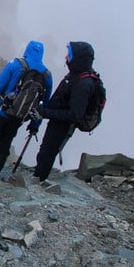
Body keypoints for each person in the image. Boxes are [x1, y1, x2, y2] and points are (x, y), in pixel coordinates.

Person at [0, 41, 53, 177]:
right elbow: (43, 104)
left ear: (27, 50)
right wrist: (35, 125)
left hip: (0, 111)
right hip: (18, 117)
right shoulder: (47, 75)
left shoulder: (15, 65)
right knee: (5, 144)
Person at [33, 41, 99, 182]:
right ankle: (38, 177)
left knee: (47, 152)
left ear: (78, 58)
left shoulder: (83, 84)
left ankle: (38, 179)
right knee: (46, 150)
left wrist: (45, 112)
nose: (66, 57)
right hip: (58, 122)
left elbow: (75, 115)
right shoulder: (77, 74)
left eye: (69, 54)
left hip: (62, 125)